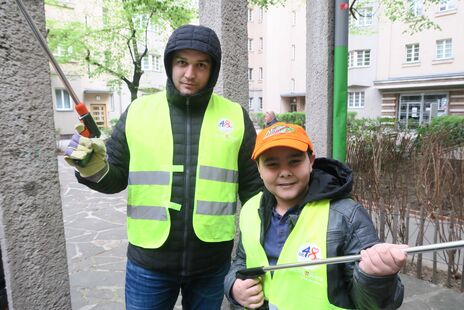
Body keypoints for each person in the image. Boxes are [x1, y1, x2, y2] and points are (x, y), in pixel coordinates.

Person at [64, 24, 262, 310]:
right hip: (149, 264)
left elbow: (254, 190)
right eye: (182, 62)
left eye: (201, 65)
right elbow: (115, 177)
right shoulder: (139, 112)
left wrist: (254, 251)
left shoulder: (235, 116)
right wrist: (90, 167)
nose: (190, 74)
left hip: (211, 263)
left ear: (213, 70)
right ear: (170, 63)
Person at [224, 122, 407, 309]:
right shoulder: (250, 208)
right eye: (272, 164)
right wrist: (233, 286)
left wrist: (375, 277)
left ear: (310, 161)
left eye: (294, 161)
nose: (285, 172)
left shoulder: (346, 216)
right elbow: (240, 261)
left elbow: (377, 304)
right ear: (258, 168)